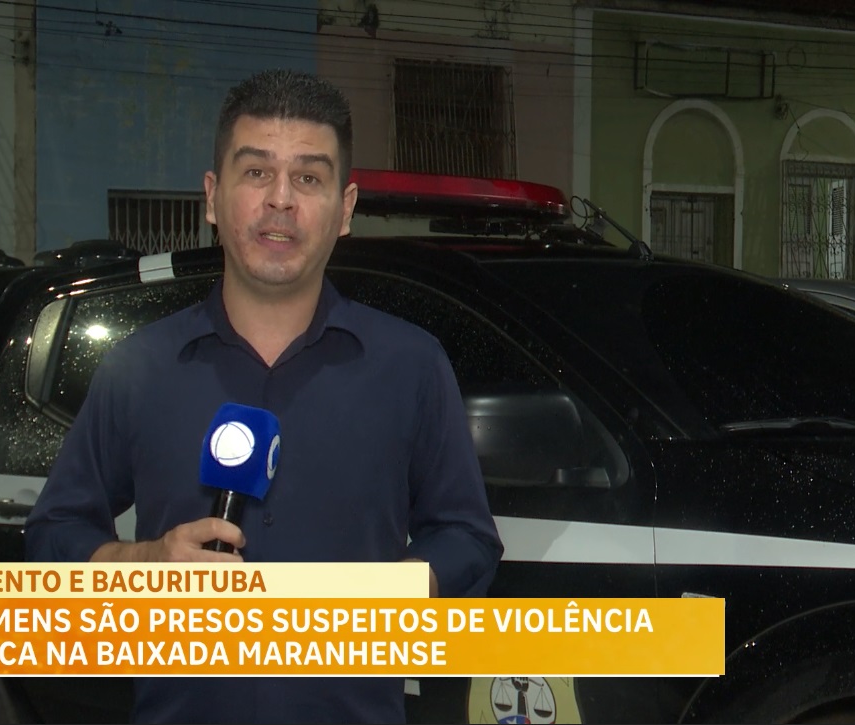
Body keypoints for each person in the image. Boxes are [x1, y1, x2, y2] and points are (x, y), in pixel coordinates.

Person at [26, 68, 503, 724]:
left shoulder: (411, 366)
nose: (281, 200)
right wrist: (142, 566)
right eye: (257, 172)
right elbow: (53, 536)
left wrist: (407, 584)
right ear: (213, 197)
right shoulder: (140, 367)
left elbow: (469, 538)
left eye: (308, 178)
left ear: (345, 209)